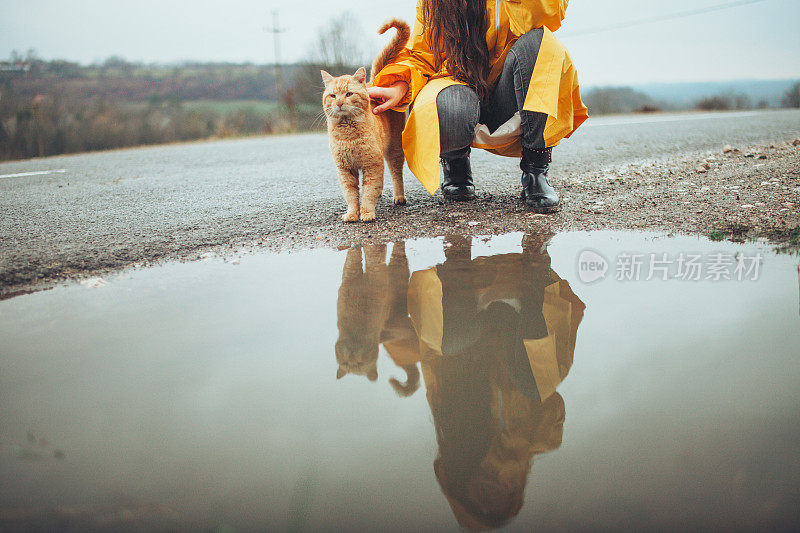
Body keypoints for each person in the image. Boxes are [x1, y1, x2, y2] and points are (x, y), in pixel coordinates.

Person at [368, 0, 587, 212]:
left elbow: (552, 12)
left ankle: (536, 170)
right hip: (460, 83)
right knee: (446, 104)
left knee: (540, 45)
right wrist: (398, 86)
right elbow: (421, 54)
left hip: (511, 89)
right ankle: (455, 163)